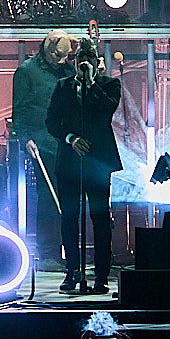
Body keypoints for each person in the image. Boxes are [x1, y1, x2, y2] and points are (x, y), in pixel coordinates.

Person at [45, 36, 123, 293]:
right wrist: (71, 139)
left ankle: (101, 277)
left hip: (98, 164)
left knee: (100, 219)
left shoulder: (110, 85)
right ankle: (72, 273)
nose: (84, 62)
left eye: (89, 58)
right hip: (69, 164)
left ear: (97, 61)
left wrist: (91, 84)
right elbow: (52, 122)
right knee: (70, 218)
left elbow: (106, 111)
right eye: (80, 58)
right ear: (74, 61)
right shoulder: (63, 86)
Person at [11, 30, 76, 259]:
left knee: (69, 198)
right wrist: (25, 138)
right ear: (47, 48)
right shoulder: (27, 71)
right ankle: (48, 254)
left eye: (65, 56)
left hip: (68, 144)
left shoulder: (69, 70)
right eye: (58, 55)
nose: (61, 61)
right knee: (48, 198)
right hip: (42, 144)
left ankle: (70, 253)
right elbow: (18, 110)